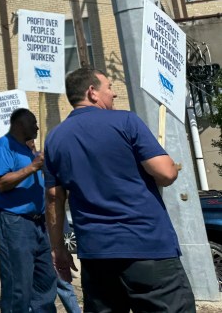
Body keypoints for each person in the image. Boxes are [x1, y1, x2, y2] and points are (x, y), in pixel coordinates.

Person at [44, 67, 196, 313]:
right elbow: (166, 174)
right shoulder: (127, 121)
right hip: (146, 247)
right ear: (92, 92)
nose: (114, 94)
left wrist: (58, 249)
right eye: (110, 87)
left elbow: (53, 198)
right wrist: (172, 166)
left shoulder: (54, 139)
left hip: (96, 255)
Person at [0, 108, 57, 312]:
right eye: (33, 122)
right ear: (19, 125)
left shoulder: (28, 149)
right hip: (14, 220)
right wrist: (32, 167)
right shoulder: (3, 146)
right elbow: (0, 183)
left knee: (46, 278)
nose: (37, 126)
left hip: (38, 222)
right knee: (18, 283)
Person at [26, 139, 81, 313]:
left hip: (52, 227)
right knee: (42, 280)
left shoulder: (42, 160)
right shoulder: (23, 165)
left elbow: (55, 194)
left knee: (61, 279)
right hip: (36, 228)